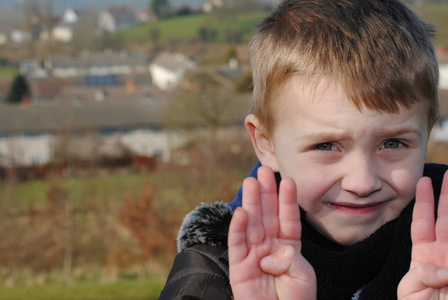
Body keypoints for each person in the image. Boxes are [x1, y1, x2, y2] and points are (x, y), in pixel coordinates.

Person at [159, 0, 448, 299]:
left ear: (427, 134)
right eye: (326, 146)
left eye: (393, 143)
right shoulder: (214, 275)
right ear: (266, 144)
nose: (363, 183)